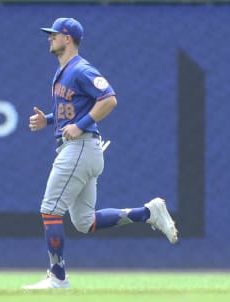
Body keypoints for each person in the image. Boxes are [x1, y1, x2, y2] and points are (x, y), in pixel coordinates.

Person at [22, 17, 179, 290]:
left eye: (54, 34)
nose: (49, 38)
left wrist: (80, 125)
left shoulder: (81, 69)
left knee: (50, 209)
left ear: (67, 38)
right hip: (83, 149)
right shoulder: (63, 71)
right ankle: (148, 213)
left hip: (80, 148)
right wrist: (48, 120)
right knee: (84, 222)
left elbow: (109, 99)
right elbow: (73, 111)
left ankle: (58, 277)